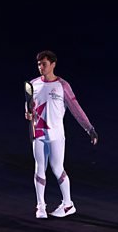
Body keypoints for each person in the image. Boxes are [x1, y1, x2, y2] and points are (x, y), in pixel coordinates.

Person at [25, 50, 98, 218]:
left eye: (44, 64)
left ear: (53, 64)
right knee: (39, 169)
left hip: (57, 136)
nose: (41, 67)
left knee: (57, 169)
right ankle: (41, 206)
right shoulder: (33, 84)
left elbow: (76, 109)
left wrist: (89, 128)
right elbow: (29, 107)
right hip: (39, 134)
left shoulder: (63, 86)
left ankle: (68, 204)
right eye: (38, 64)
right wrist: (28, 114)